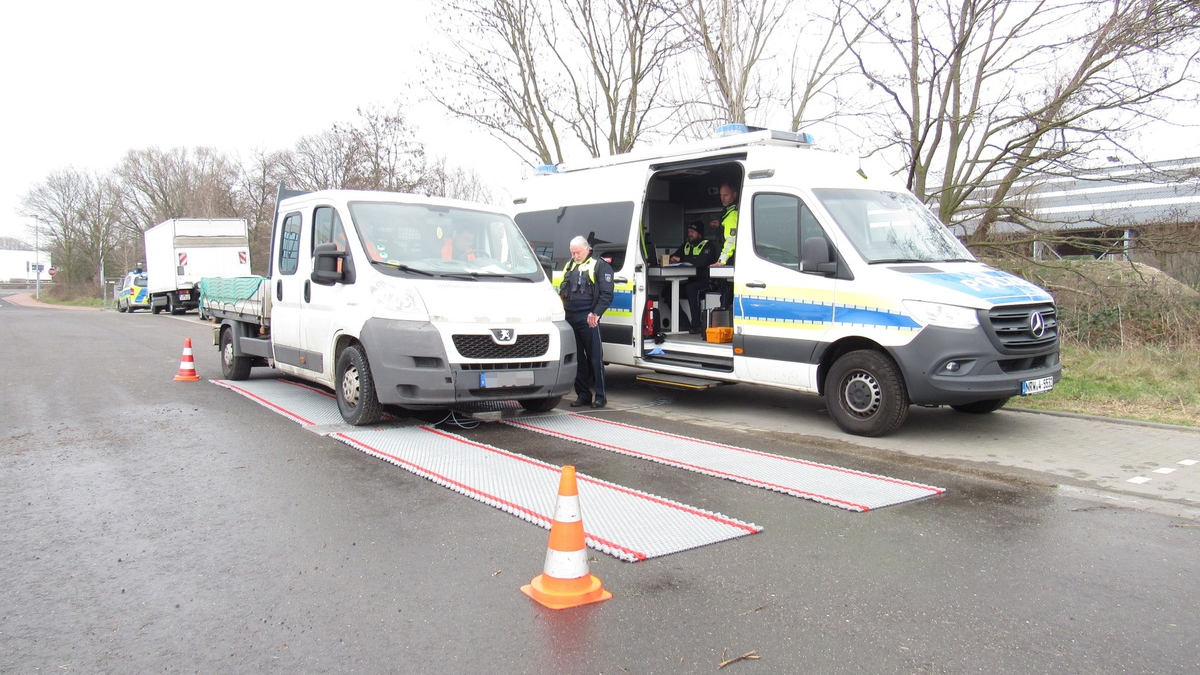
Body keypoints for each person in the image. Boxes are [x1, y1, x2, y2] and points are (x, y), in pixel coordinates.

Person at [560, 236, 615, 408]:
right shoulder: (569, 265)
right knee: (578, 360)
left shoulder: (599, 265)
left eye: (577, 252)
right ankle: (583, 395)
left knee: (595, 358)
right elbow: (562, 289)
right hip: (570, 317)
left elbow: (607, 294)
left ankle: (600, 397)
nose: (575, 255)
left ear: (587, 249)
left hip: (588, 318)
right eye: (572, 252)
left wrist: (596, 313)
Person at [669, 221, 718, 332]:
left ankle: (697, 324)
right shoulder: (686, 245)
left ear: (699, 233)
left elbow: (701, 262)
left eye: (692, 232)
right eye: (688, 232)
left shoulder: (708, 245)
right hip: (690, 281)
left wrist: (680, 259)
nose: (689, 234)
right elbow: (674, 256)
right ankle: (684, 322)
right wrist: (670, 259)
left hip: (707, 282)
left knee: (691, 288)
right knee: (667, 292)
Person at [709, 182, 739, 308]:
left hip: (729, 262)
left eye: (726, 195)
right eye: (721, 195)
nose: (722, 198)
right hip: (728, 261)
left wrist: (722, 261)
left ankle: (723, 324)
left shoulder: (732, 214)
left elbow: (731, 240)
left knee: (726, 296)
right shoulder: (727, 213)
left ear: (734, 195)